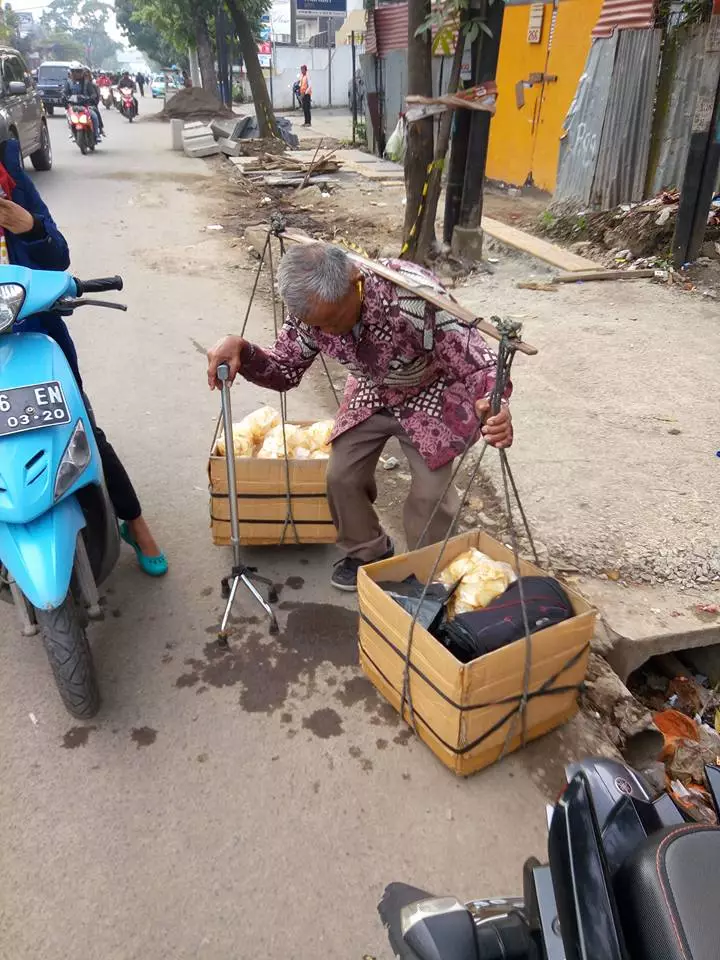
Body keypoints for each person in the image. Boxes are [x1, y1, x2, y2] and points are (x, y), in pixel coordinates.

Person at [207, 244, 512, 592]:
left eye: (336, 320)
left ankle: (434, 576)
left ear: (356, 281)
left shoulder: (416, 299)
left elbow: (481, 363)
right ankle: (369, 551)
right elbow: (285, 370)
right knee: (341, 475)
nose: (331, 333)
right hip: (373, 388)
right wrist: (242, 350)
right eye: (320, 326)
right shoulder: (312, 310)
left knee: (431, 496)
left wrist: (494, 401)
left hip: (433, 390)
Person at [0, 124, 168, 575]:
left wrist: (30, 227)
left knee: (82, 428)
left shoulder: (16, 189)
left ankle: (134, 521)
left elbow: (59, 257)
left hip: (35, 339)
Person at [64, 66, 103, 141]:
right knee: (69, 117)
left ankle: (96, 134)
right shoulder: (68, 83)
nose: (76, 74)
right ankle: (72, 132)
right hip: (73, 106)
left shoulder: (87, 83)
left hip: (86, 106)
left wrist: (90, 97)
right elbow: (65, 93)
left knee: (94, 116)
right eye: (74, 72)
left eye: (78, 71)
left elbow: (93, 94)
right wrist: (65, 98)